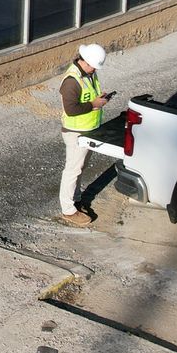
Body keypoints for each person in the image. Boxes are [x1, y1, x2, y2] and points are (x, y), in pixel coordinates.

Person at [57, 43, 114, 226]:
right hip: (76, 132)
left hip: (87, 130)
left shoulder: (88, 74)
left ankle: (75, 199)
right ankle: (68, 209)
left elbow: (88, 97)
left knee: (79, 168)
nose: (95, 69)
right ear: (86, 62)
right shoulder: (71, 82)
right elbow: (71, 109)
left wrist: (99, 99)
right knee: (73, 170)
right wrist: (95, 104)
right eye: (94, 66)